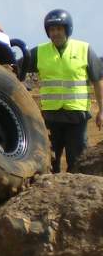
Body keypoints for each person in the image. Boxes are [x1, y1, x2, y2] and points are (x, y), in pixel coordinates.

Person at [21, 9, 103, 172]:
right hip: (50, 118)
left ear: (67, 29)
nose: (55, 33)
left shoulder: (84, 50)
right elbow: (16, 69)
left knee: (78, 163)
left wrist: (102, 110)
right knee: (48, 164)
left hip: (76, 117)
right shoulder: (39, 52)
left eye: (59, 29)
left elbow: (97, 80)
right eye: (52, 29)